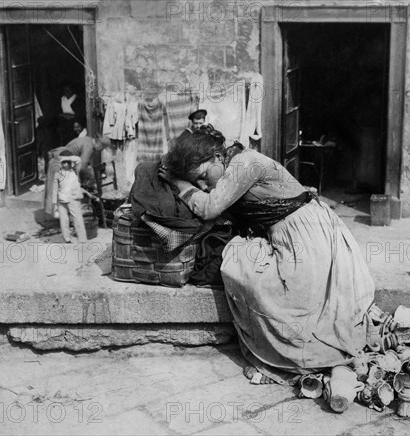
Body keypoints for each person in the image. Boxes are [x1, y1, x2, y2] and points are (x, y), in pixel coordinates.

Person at [160, 126, 375, 383]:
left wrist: (179, 183)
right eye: (199, 182)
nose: (205, 185)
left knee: (244, 269)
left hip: (307, 238)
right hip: (295, 234)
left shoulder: (245, 163)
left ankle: (296, 354)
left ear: (218, 157)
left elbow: (208, 208)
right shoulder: (232, 165)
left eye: (204, 176)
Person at [44, 135, 105, 215]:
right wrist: (82, 180)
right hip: (59, 163)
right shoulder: (89, 146)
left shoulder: (88, 139)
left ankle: (60, 214)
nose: (100, 150)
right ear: (99, 144)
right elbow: (82, 166)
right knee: (60, 189)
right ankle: (61, 215)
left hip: (60, 160)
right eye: (102, 148)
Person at [52, 150, 89, 243]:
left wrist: (66, 158)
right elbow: (54, 189)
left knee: (77, 219)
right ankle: (67, 239)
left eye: (67, 162)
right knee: (64, 220)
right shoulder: (58, 173)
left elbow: (78, 160)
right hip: (62, 199)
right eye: (63, 163)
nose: (65, 165)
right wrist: (54, 203)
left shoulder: (75, 170)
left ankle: (82, 239)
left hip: (73, 198)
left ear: (71, 163)